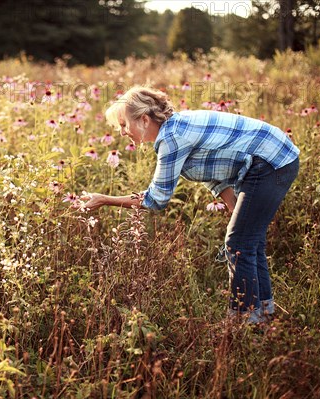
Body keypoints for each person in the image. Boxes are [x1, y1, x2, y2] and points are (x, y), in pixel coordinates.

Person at [77, 86, 300, 324]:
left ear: (143, 119)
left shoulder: (172, 138)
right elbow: (212, 170)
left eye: (123, 125)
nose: (122, 132)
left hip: (272, 161)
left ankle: (244, 320)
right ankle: (264, 315)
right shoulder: (174, 130)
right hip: (270, 160)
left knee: (238, 244)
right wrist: (233, 204)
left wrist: (104, 199)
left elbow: (156, 199)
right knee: (249, 242)